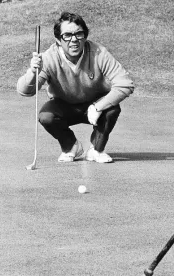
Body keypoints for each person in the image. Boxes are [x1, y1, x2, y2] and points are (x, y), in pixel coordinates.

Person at [17, 12, 134, 163]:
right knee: (46, 116)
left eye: (79, 34)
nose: (74, 40)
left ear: (85, 36)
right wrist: (33, 72)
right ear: (58, 40)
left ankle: (96, 150)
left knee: (112, 109)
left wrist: (98, 107)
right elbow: (24, 91)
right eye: (67, 35)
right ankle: (71, 146)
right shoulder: (48, 58)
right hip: (64, 107)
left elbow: (125, 84)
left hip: (95, 106)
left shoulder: (98, 53)